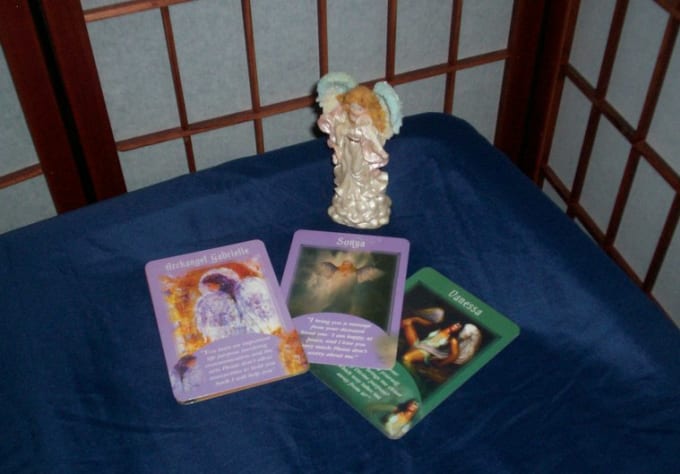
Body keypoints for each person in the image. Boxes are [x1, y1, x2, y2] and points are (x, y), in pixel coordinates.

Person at [401, 313, 482, 369]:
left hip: (426, 352)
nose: (456, 327)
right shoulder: (440, 327)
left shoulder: (453, 339)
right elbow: (426, 323)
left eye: (458, 327)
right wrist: (415, 319)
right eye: (456, 324)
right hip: (418, 344)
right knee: (407, 323)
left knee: (406, 358)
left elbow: (454, 355)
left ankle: (409, 377)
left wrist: (440, 365)